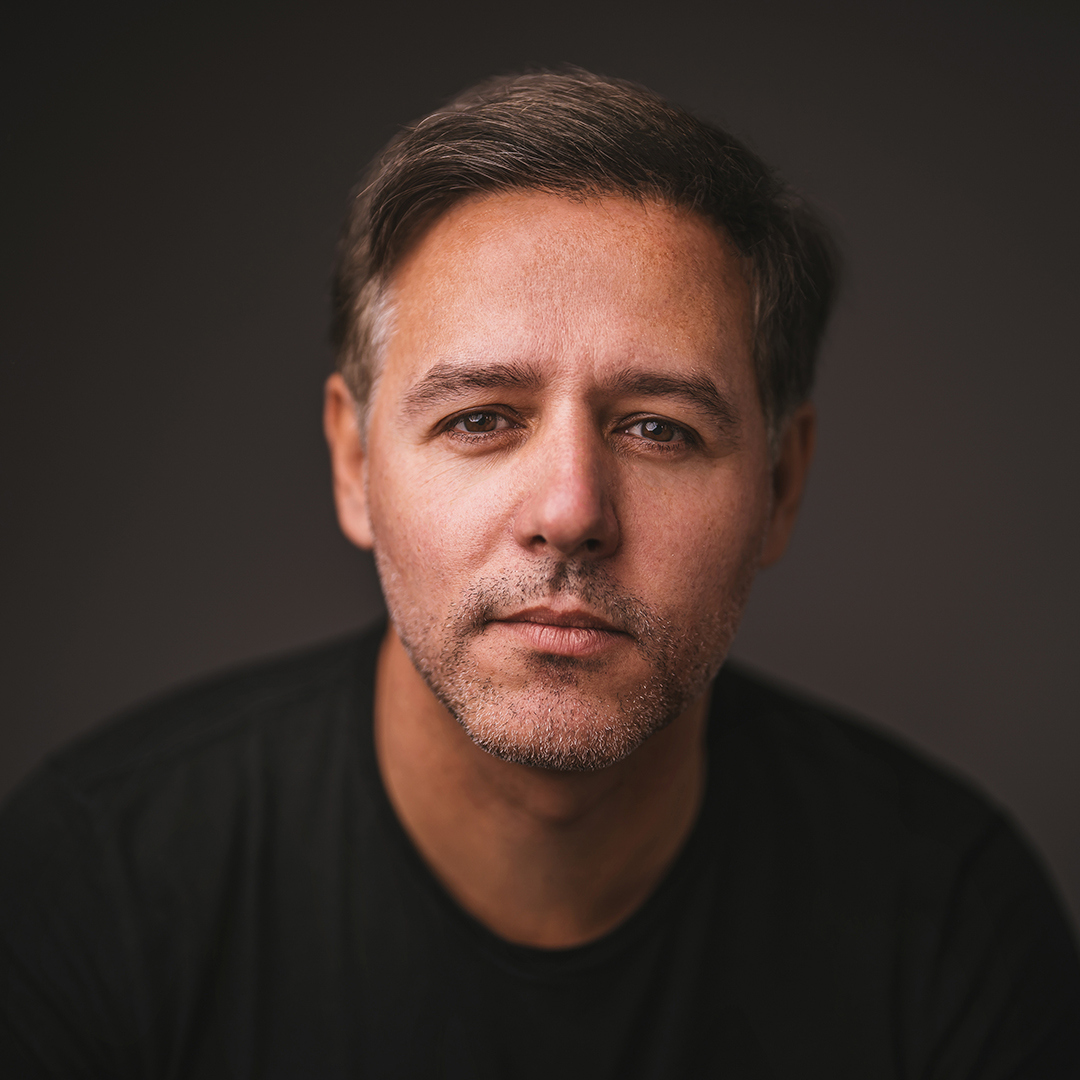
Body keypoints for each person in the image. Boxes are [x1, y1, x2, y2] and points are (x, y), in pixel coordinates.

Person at [1, 69, 1077, 1079]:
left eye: (659, 429)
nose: (570, 511)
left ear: (781, 487)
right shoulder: (97, 888)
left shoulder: (950, 918)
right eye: (480, 419)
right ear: (352, 462)